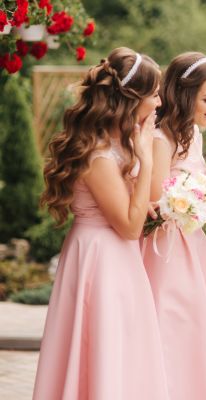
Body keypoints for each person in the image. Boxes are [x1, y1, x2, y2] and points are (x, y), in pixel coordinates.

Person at [33, 47, 169, 399]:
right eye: (154, 94)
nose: (158, 102)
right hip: (101, 259)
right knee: (102, 346)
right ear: (131, 98)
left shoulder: (116, 144)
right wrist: (145, 160)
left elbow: (133, 209)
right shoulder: (98, 156)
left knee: (121, 348)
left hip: (118, 258)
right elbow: (128, 226)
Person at [142, 52, 206, 400]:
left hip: (190, 244)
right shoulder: (159, 138)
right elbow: (155, 197)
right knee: (170, 327)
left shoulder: (193, 134)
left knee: (194, 330)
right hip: (163, 249)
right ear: (185, 96)